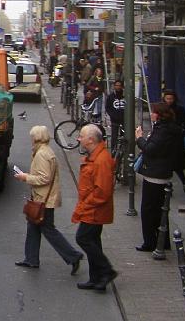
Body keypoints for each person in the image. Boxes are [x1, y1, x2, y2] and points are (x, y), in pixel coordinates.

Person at [13, 126, 83, 273]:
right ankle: (31, 258)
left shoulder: (42, 154)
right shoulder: (46, 150)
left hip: (43, 199)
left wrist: (25, 177)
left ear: (36, 138)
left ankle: (73, 256)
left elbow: (44, 178)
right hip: (44, 198)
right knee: (33, 226)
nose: (30, 139)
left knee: (48, 229)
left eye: (32, 137)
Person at [72, 124, 118, 291]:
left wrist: (85, 205)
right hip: (94, 207)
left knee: (83, 238)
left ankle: (107, 271)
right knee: (93, 241)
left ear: (91, 140)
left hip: (95, 209)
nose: (79, 138)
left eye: (81, 136)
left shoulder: (101, 160)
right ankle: (97, 278)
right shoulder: (96, 156)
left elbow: (102, 191)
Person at [135, 103, 183, 252]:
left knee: (149, 210)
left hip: (155, 174)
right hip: (162, 172)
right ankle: (163, 241)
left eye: (154, 112)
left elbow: (150, 149)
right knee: (160, 210)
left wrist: (139, 138)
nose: (151, 114)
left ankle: (150, 242)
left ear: (160, 114)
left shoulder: (163, 130)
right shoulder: (168, 129)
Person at [162, 89, 185, 192]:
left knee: (177, 166)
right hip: (166, 140)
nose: (169, 101)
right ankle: (169, 186)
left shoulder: (180, 110)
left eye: (171, 99)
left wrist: (182, 132)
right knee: (166, 165)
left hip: (176, 141)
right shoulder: (162, 109)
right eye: (167, 98)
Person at [105, 80, 126, 154]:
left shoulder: (125, 96)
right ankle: (113, 151)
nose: (118, 87)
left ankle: (123, 151)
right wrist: (112, 115)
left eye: (119, 85)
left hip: (124, 120)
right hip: (114, 120)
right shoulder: (111, 97)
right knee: (114, 136)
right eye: (116, 85)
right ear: (114, 86)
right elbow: (107, 107)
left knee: (124, 136)